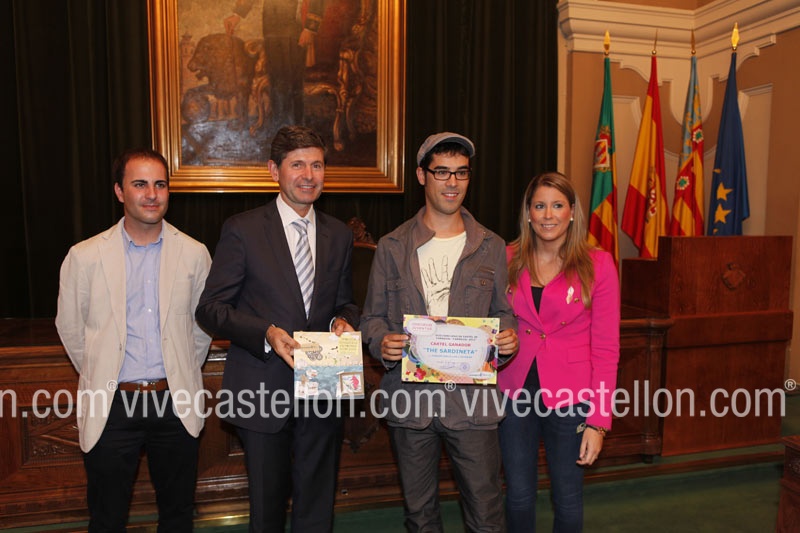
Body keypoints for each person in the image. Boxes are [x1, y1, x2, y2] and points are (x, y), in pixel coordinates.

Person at [195, 125, 359, 532]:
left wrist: (344, 320)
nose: (309, 175)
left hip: (323, 389)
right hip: (262, 388)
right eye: (297, 164)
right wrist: (266, 332)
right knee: (267, 511)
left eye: (317, 165)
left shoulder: (339, 234)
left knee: (316, 509)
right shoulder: (243, 229)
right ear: (274, 170)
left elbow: (345, 302)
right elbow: (210, 309)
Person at [361, 132, 519, 532]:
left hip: (472, 405)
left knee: (486, 512)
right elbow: (371, 319)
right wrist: (381, 342)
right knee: (420, 514)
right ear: (422, 176)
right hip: (410, 402)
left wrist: (508, 337)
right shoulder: (392, 246)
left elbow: (503, 313)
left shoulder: (491, 245)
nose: (453, 182)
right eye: (442, 172)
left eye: (461, 173)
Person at [55, 148, 213, 532]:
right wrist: (103, 370)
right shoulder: (84, 256)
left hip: (174, 403)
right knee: (107, 518)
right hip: (111, 404)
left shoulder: (195, 254)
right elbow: (71, 328)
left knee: (178, 515)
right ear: (119, 191)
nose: (152, 194)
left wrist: (178, 372)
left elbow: (201, 330)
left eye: (160, 184)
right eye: (140, 184)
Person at [498, 171, 620, 532]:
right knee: (518, 495)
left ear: (572, 212)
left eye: (557, 205)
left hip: (572, 396)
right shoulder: (505, 257)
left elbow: (607, 348)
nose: (548, 215)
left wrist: (598, 422)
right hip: (514, 391)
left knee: (567, 497)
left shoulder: (599, 265)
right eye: (539, 206)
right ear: (528, 213)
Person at [225, 0, 324, 129]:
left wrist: (310, 28)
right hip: (271, 28)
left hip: (295, 28)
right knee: (276, 83)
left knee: (293, 85)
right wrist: (237, 14)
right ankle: (279, 129)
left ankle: (296, 130)